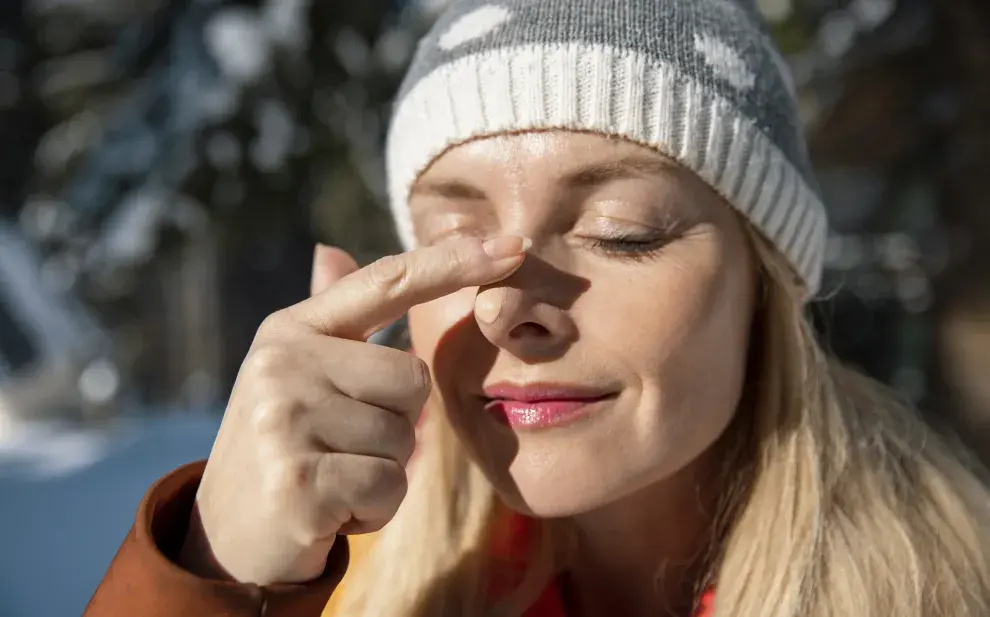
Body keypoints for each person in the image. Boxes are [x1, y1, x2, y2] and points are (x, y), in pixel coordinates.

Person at [84, 0, 990, 616]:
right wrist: (215, 579)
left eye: (620, 230)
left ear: (767, 279)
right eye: (454, 236)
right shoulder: (346, 583)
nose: (507, 309)